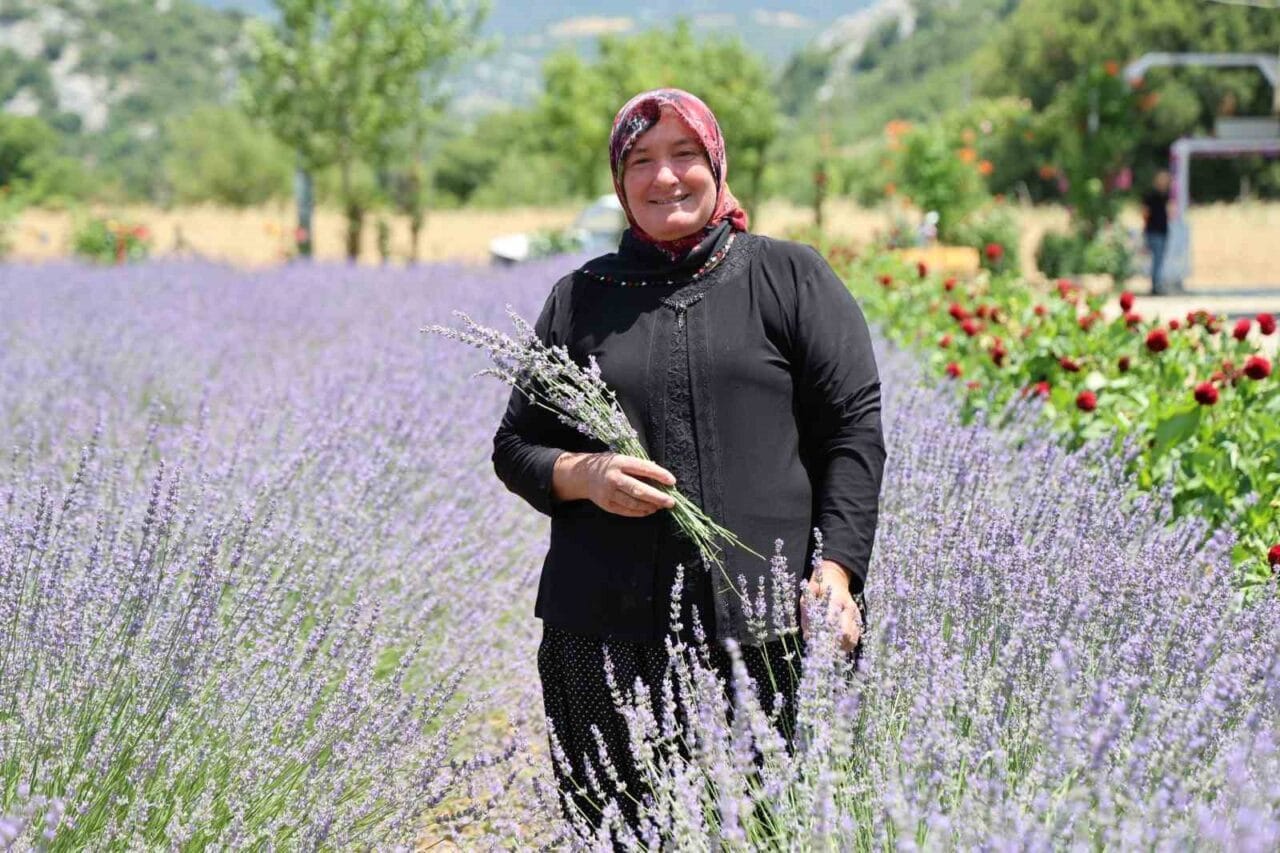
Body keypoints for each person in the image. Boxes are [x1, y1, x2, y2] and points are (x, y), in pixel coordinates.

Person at [491, 88, 886, 836]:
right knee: (625, 832)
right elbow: (516, 447)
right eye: (641, 160)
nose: (664, 178)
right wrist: (586, 475)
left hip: (768, 629)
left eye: (685, 156)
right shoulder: (580, 299)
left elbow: (851, 432)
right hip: (601, 638)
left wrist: (835, 571)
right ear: (619, 180)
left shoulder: (790, 277)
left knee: (773, 827)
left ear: (716, 164)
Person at [1142, 170, 1172, 295]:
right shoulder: (1151, 195)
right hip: (1153, 231)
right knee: (1157, 260)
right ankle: (1155, 286)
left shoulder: (1165, 196)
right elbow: (1145, 212)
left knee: (1159, 260)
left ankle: (1157, 284)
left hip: (1162, 231)